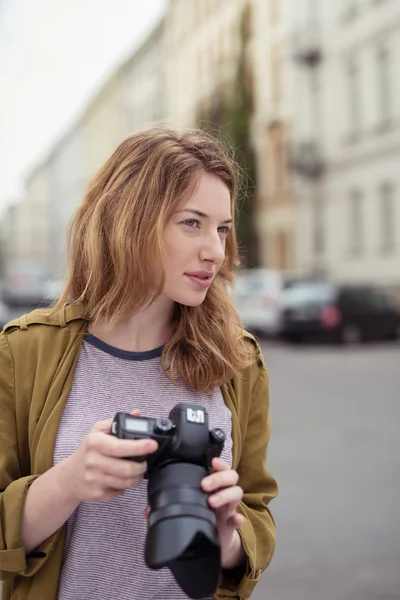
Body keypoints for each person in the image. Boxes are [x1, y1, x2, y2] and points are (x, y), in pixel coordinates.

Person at [0, 126, 278, 600]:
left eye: (222, 228)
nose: (215, 249)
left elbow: (256, 523)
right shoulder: (24, 353)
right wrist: (68, 481)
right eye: (192, 222)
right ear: (130, 221)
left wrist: (226, 534)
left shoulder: (237, 359)